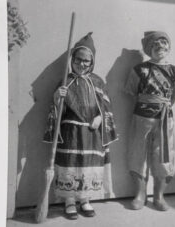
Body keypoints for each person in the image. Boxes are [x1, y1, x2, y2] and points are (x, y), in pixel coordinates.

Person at [43, 32, 118, 220]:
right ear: (73, 59)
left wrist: (100, 118)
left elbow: (106, 105)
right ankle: (69, 202)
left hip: (92, 133)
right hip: (71, 132)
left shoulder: (98, 81)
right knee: (71, 164)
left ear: (92, 62)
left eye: (86, 61)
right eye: (78, 59)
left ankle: (85, 200)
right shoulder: (65, 81)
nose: (82, 64)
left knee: (87, 164)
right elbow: (56, 111)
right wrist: (57, 97)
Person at [124, 31, 175, 211]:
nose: (160, 47)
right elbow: (131, 93)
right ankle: (140, 194)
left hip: (164, 119)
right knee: (138, 154)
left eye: (163, 43)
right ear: (148, 48)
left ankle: (159, 196)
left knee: (163, 157)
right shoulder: (139, 69)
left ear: (169, 46)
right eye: (155, 45)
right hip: (141, 117)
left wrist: (163, 106)